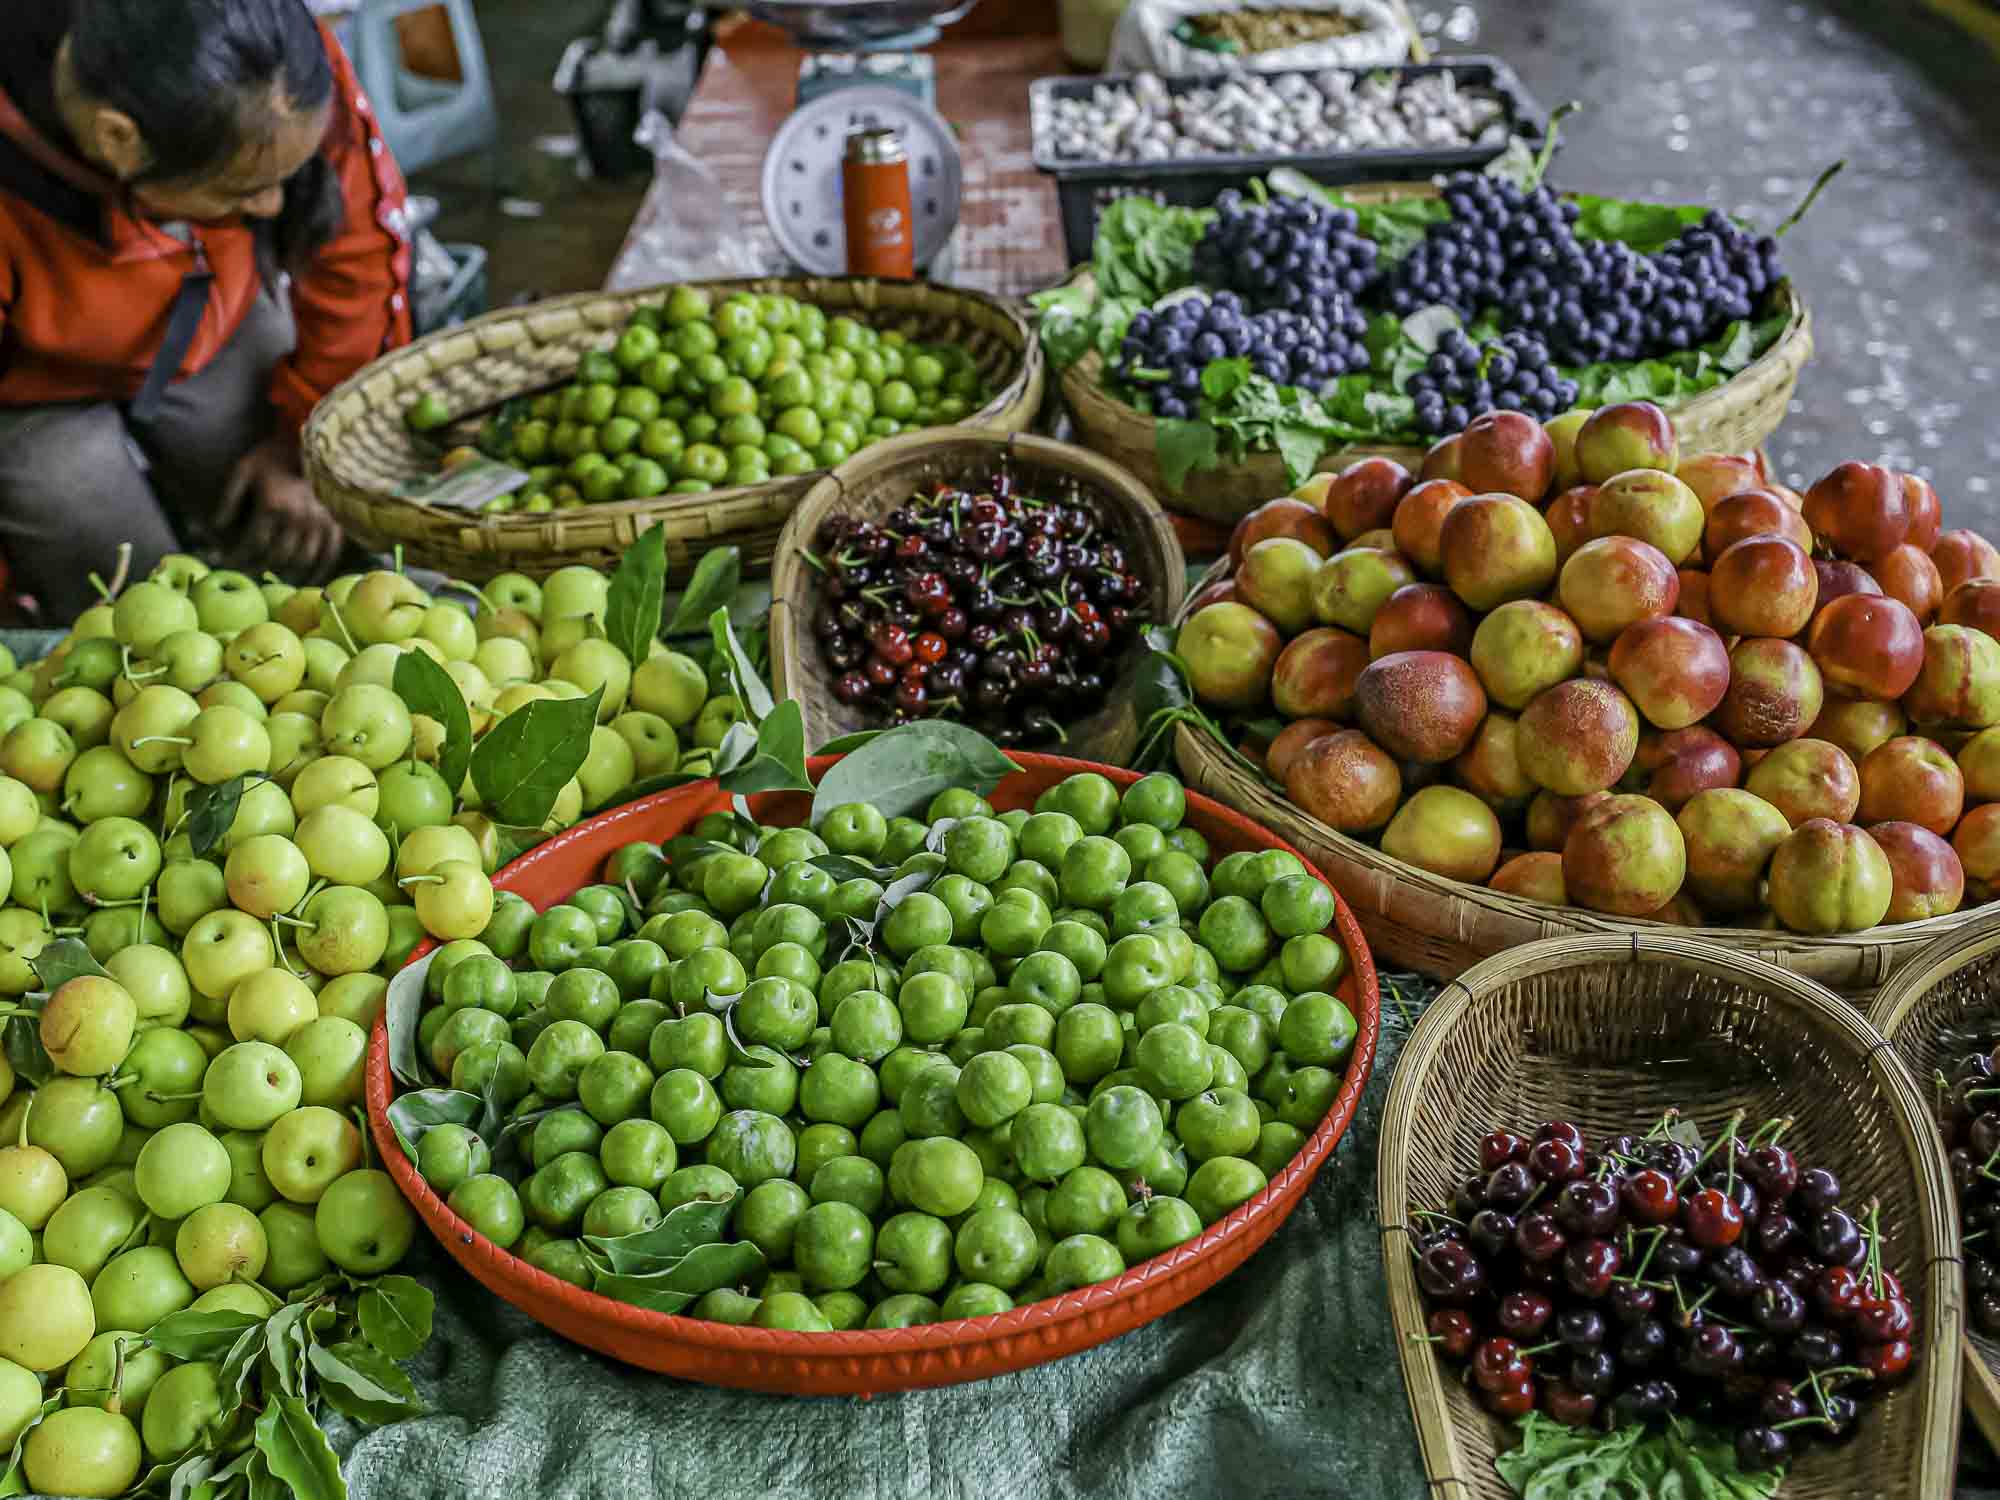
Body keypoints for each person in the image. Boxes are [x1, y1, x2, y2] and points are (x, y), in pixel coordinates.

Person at [0, 0, 413, 621]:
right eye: (242, 189)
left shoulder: (275, 66)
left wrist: (305, 445)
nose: (273, 206)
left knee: (328, 516)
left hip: (203, 316)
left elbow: (358, 260)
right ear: (119, 139)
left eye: (283, 180)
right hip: (30, 393)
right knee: (125, 586)